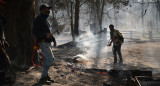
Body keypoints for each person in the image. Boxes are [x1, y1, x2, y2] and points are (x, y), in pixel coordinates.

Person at [32, 4, 56, 83]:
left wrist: (53, 39)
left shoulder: (46, 19)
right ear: (42, 10)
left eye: (49, 9)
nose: (48, 10)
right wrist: (44, 35)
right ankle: (43, 76)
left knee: (49, 59)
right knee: (50, 60)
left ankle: (44, 76)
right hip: (43, 43)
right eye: (47, 9)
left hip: (47, 43)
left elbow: (48, 32)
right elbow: (34, 31)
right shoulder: (38, 19)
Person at [0, 0, 10, 84]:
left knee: (3, 60)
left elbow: (1, 30)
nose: (2, 7)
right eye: (1, 5)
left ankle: (2, 79)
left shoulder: (1, 16)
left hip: (1, 41)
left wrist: (4, 40)